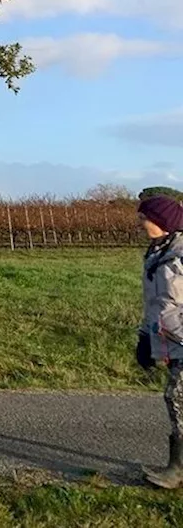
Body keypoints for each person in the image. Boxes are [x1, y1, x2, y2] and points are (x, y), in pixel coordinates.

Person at [136, 193, 183, 489]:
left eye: (145, 217)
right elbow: (154, 304)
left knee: (176, 398)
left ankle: (177, 471)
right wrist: (144, 337)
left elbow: (172, 306)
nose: (140, 223)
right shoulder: (157, 253)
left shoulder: (178, 257)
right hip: (173, 341)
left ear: (162, 222)